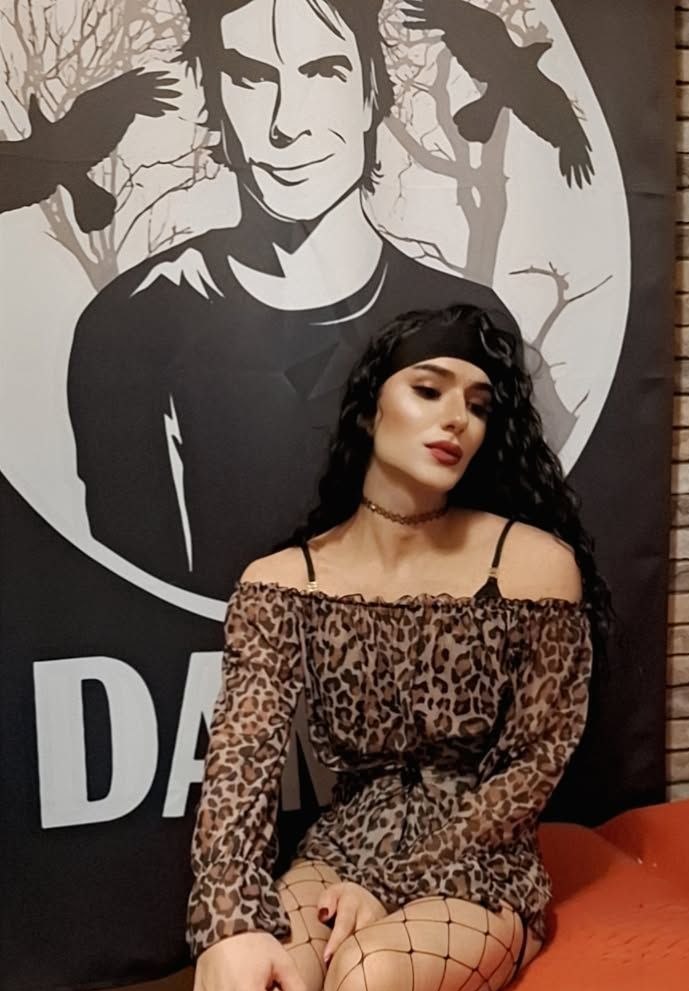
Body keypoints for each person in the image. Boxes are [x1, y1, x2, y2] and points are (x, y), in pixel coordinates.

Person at [137, 302, 612, 991]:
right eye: (429, 389)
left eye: (479, 403)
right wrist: (225, 929)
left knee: (371, 972)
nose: (457, 419)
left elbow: (533, 767)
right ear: (369, 408)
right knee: (267, 988)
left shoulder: (530, 562)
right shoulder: (284, 580)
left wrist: (390, 884)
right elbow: (240, 765)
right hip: (341, 849)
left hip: (478, 860)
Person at [67, 0, 520, 600]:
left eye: (324, 71)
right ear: (213, 99)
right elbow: (144, 594)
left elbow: (490, 558)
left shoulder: (465, 325)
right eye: (250, 77)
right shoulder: (133, 322)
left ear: (371, 95)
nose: (287, 123)